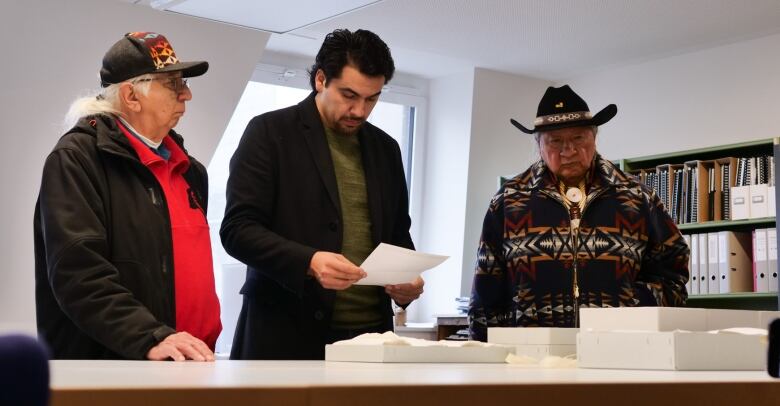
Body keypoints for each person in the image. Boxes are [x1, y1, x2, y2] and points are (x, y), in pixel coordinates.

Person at [222, 28, 424, 360]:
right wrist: (309, 261)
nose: (359, 110)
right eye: (349, 95)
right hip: (286, 334)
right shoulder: (269, 133)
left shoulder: (386, 150)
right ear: (320, 79)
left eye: (372, 98)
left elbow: (398, 235)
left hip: (371, 340)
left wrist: (406, 285)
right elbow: (238, 230)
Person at [34, 32, 221, 361]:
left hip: (189, 363)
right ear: (131, 96)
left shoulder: (190, 170)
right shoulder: (77, 159)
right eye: (174, 84)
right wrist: (150, 336)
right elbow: (78, 274)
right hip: (119, 367)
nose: (187, 95)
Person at [469, 85, 689, 341]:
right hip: (529, 353)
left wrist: (637, 304)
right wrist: (484, 347)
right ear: (539, 144)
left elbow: (673, 268)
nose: (568, 151)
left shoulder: (636, 196)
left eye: (578, 139)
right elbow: (487, 282)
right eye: (556, 141)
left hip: (621, 348)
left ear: (594, 138)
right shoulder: (509, 200)